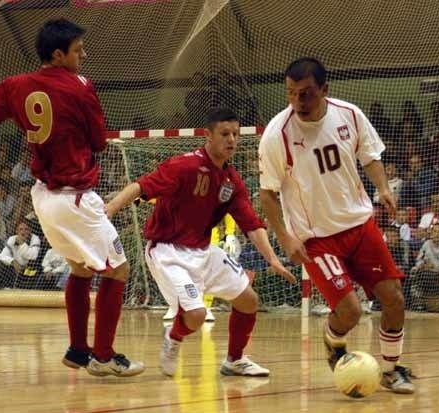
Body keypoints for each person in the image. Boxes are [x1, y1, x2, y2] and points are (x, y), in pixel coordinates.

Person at [0, 18, 143, 378]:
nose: (84, 55)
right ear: (58, 55)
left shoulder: (15, 86)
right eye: (78, 50)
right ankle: (103, 357)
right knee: (118, 270)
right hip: (74, 197)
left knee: (79, 267)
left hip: (42, 198)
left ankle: (77, 350)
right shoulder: (80, 86)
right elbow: (99, 141)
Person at [258, 57, 415, 393]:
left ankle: (391, 369)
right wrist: (285, 237)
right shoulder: (277, 134)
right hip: (317, 239)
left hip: (360, 226)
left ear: (324, 90)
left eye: (306, 93)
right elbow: (267, 195)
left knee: (394, 298)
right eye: (291, 93)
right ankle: (333, 339)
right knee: (350, 312)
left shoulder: (350, 114)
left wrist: (383, 187)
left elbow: (370, 157)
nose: (298, 101)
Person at [105, 107, 296, 377]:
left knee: (249, 300)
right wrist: (110, 208)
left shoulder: (231, 180)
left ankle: (235, 360)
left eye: (235, 134)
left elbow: (252, 224)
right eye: (224, 134)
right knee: (195, 316)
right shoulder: (184, 165)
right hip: (168, 250)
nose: (231, 140)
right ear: (208, 135)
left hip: (203, 250)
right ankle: (174, 337)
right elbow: (141, 186)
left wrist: (273, 260)